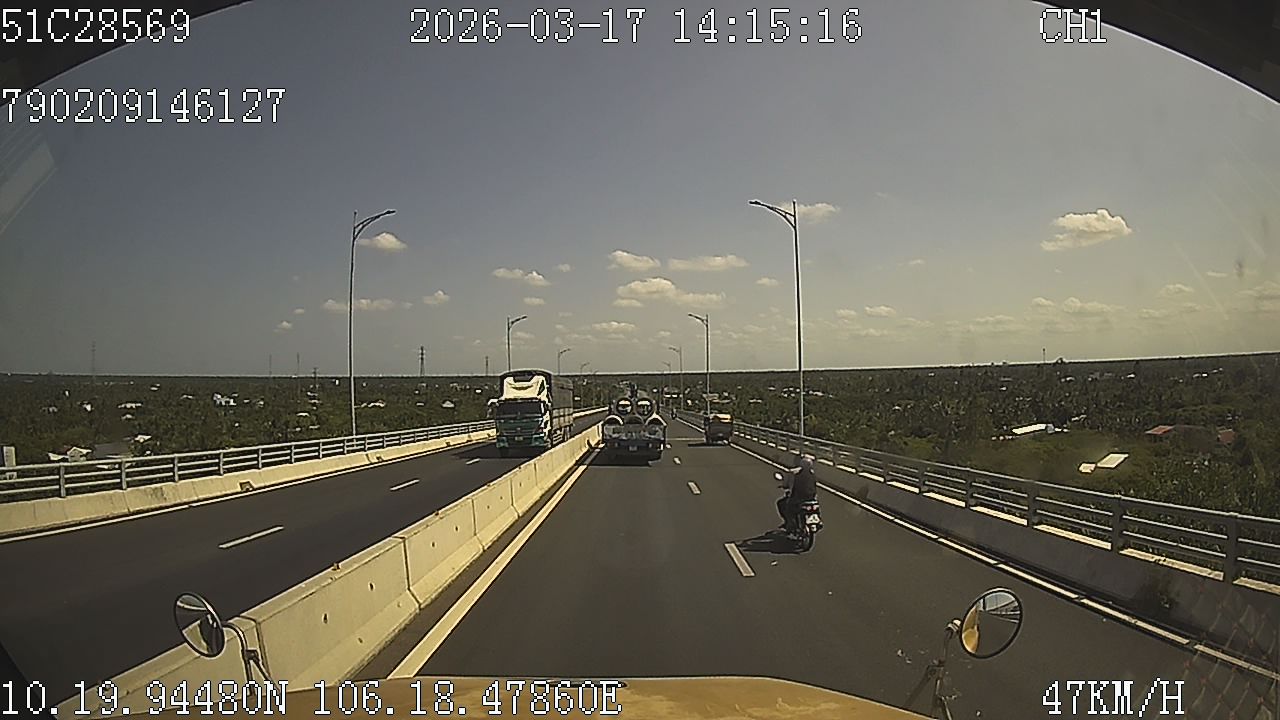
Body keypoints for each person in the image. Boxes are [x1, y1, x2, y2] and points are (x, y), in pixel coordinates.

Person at [777, 453, 818, 531]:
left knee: (785, 506)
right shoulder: (812, 474)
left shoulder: (794, 473)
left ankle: (790, 524)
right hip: (812, 499)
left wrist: (785, 486)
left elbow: (787, 484)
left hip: (798, 498)